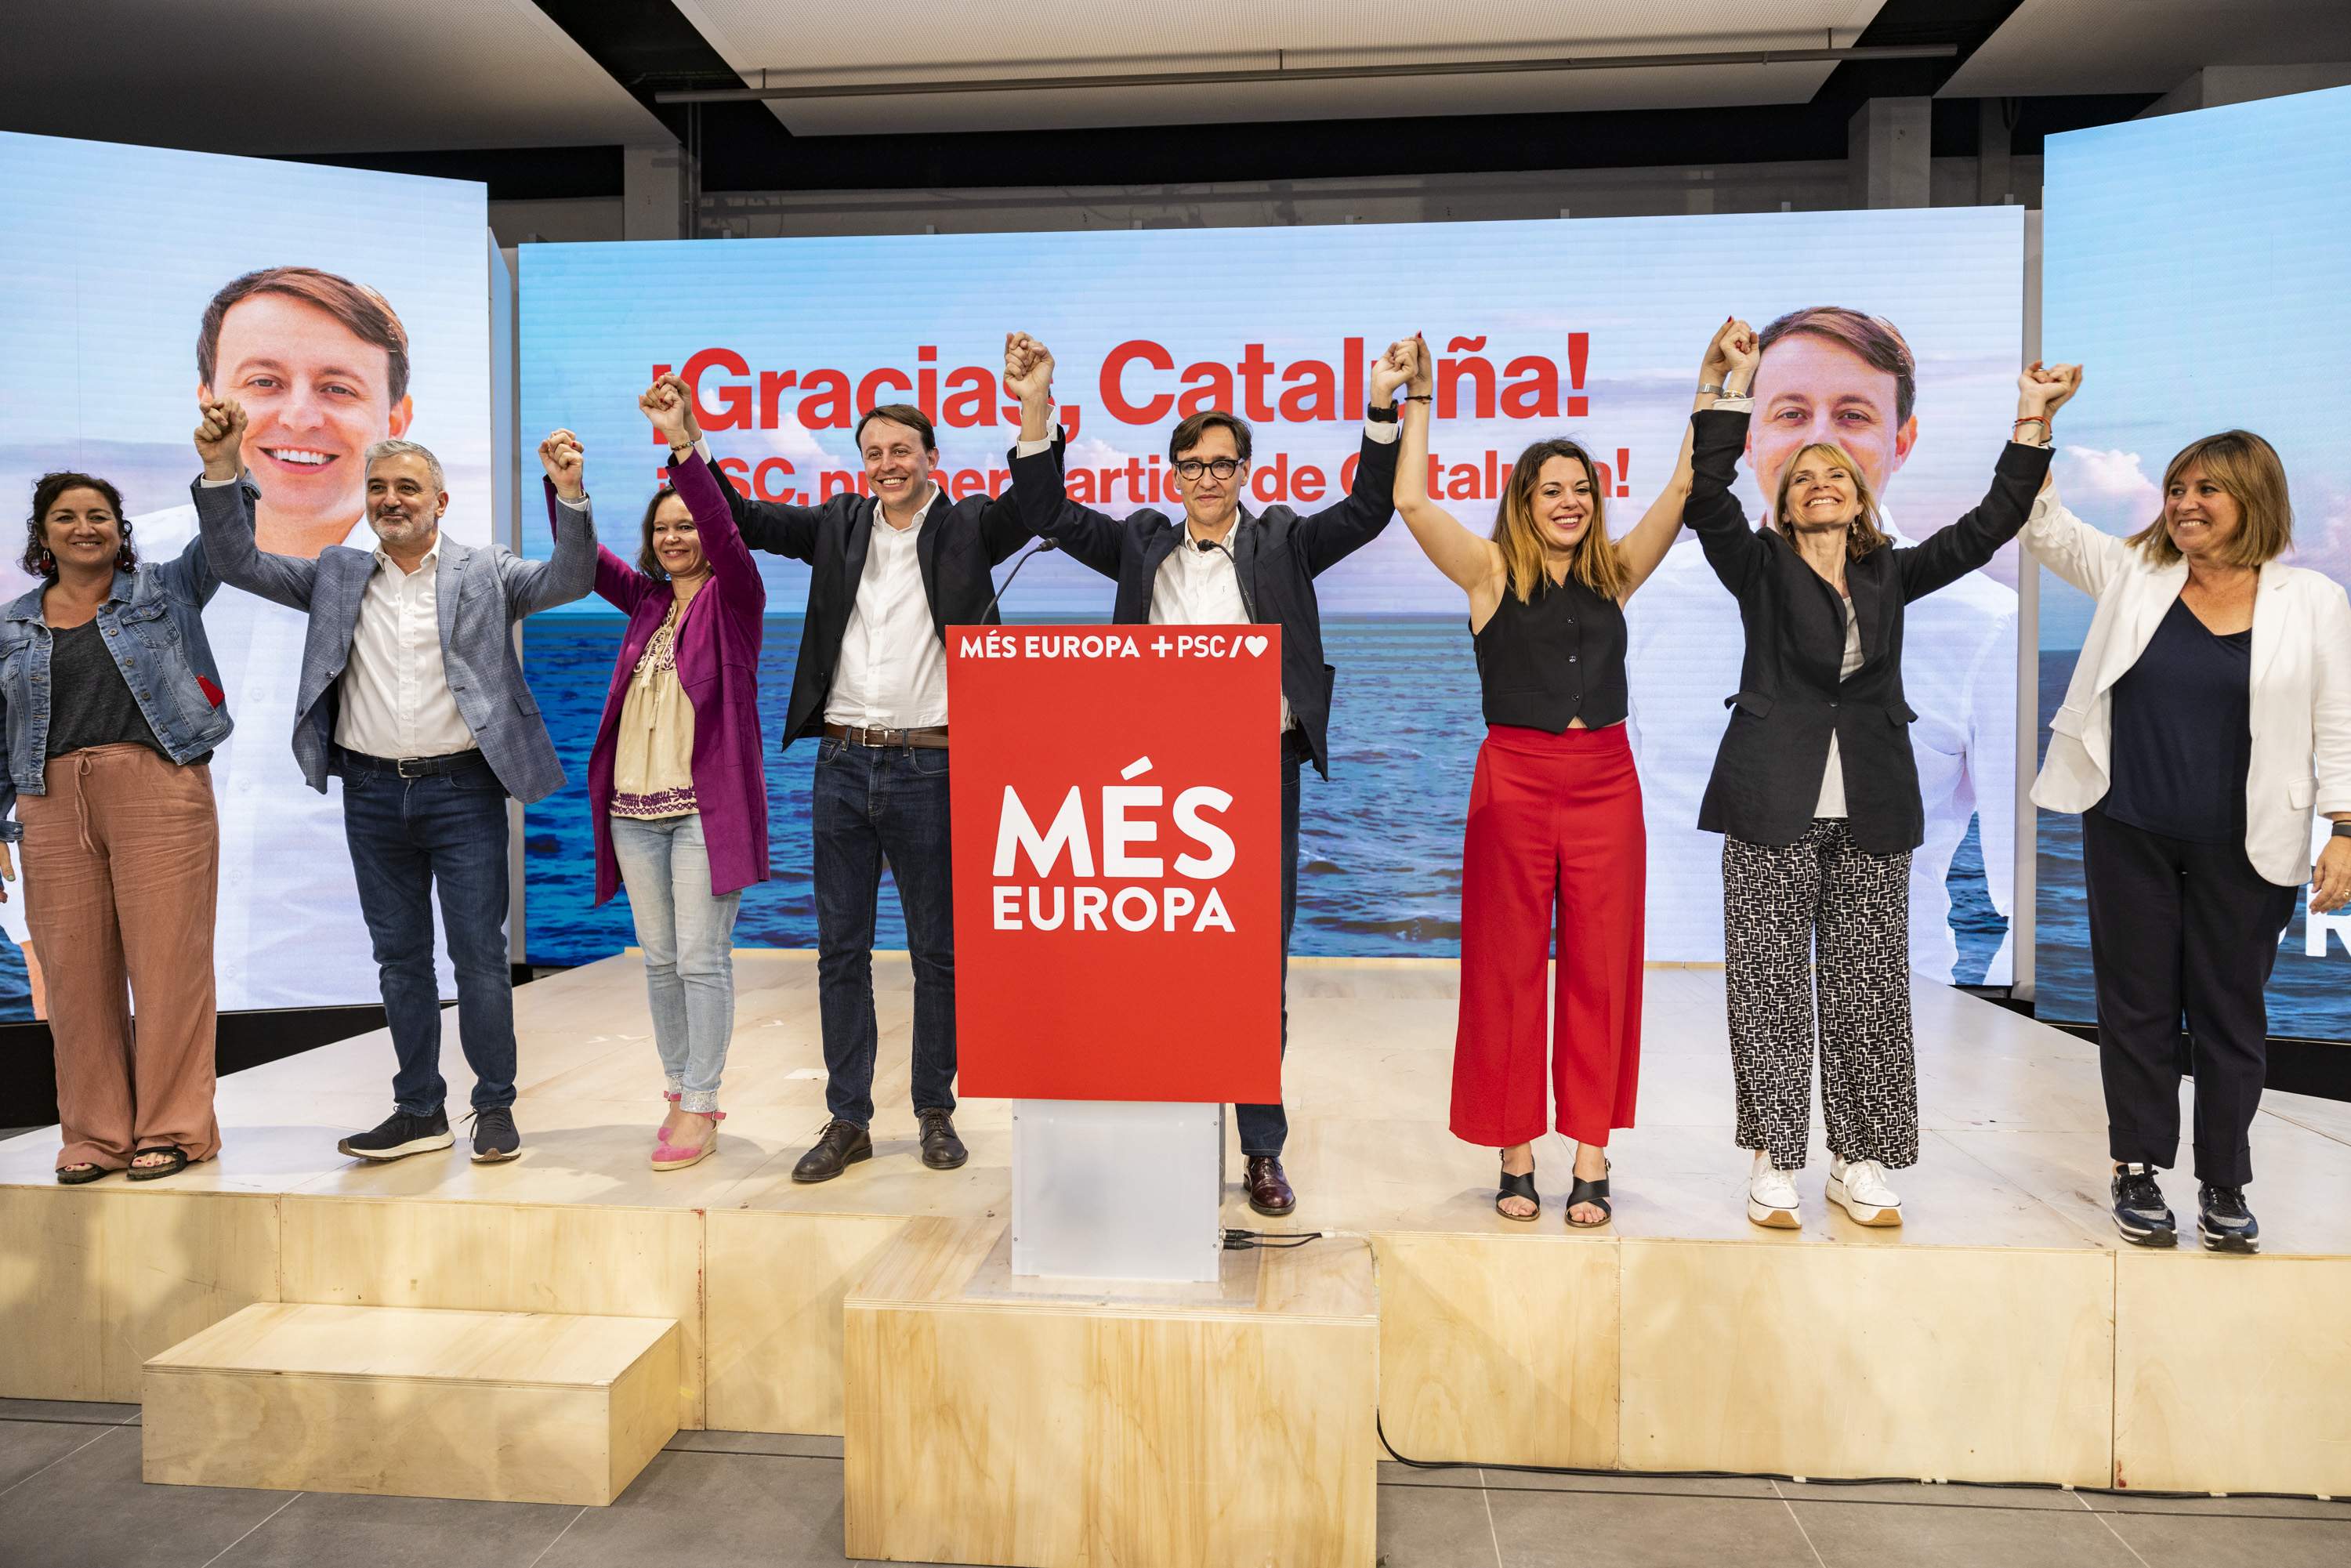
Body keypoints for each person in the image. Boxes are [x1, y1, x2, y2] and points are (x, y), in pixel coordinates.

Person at [1005, 331, 1411, 1219]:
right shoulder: (1141, 544)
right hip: (1156, 788)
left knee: (1254, 972)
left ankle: (1262, 1150)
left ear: (1244, 472)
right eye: (1191, 465)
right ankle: (1164, 1135)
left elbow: (1369, 510)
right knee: (1157, 966)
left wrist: (1382, 403)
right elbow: (1047, 512)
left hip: (1257, 777)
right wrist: (1035, 407)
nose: (1206, 478)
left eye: (1221, 464)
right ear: (1173, 475)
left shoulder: (1284, 542)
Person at [643, 347, 1056, 1184]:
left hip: (932, 767)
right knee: (840, 953)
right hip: (840, 766)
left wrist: (1035, 406)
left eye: (901, 450)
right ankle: (849, 1119)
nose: (887, 463)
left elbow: (1041, 502)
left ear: (931, 457)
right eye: (873, 452)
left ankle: (934, 1109)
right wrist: (685, 441)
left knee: (938, 953)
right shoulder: (838, 524)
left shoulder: (970, 526)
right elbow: (738, 517)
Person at [1686, 324, 2067, 1229]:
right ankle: (1775, 1158)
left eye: (1838, 474)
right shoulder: (1758, 569)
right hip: (1769, 802)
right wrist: (1730, 393)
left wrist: (2031, 422)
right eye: (1802, 476)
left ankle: (1859, 1159)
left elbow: (1991, 524)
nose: (1820, 481)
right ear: (1784, 502)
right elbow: (1706, 497)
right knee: (1770, 989)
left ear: (1863, 499)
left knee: (1868, 993)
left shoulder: (1893, 574)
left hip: (1874, 809)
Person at [20, 266, 433, 1019]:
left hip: (370, 1028)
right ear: (208, 398)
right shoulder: (117, 570)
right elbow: (45, 769)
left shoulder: (451, 589)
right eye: (264, 382)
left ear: (395, 417)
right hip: (142, 1028)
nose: (299, 416)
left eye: (338, 388)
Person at [194, 400, 596, 1164]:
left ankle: (494, 1107)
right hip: (373, 795)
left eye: (407, 488)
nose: (390, 499)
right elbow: (238, 564)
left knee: (479, 958)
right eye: (378, 487)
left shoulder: (487, 570)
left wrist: (569, 493)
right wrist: (221, 472)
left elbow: (571, 579)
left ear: (440, 501)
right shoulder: (337, 574)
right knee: (400, 960)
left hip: (464, 792)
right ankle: (418, 1110)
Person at [1396, 326, 1733, 1226]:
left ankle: (1590, 1152)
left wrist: (1708, 388)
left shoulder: (1616, 574)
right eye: (1553, 489)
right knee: (1506, 970)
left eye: (1582, 488)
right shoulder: (1488, 574)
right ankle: (1515, 1150)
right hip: (1513, 778)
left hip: (1605, 782)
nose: (1571, 501)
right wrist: (1420, 398)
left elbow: (1683, 489)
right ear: (1524, 500)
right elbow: (1412, 501)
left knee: (1601, 971)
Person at [2023, 415, 2351, 1253]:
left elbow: (2338, 720)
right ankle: (2136, 1168)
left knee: (2229, 1014)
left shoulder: (2313, 601)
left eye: (2207, 489)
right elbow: (2044, 525)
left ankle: (2224, 1182)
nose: (2184, 503)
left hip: (2247, 842)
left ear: (2254, 498)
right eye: (2176, 489)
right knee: (2134, 1006)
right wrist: (2034, 423)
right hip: (2128, 826)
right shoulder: (2135, 574)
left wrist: (2346, 828)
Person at [1627, 307, 2019, 984]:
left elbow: (2026, 898)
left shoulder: (1984, 623)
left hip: (1889, 1006)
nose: (1819, 444)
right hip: (1673, 1012)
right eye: (1790, 413)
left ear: (1902, 441)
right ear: (1749, 438)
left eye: (1853, 415)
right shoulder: (1650, 600)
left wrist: (1977, 1037)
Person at [1, 459, 232, 1182]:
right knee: (73, 979)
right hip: (48, 803)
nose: (85, 527)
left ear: (119, 529)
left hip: (158, 791)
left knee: (168, 970)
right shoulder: (12, 625)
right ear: (42, 536)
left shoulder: (165, 590)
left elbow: (228, 544)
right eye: (66, 517)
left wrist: (223, 470)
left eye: (98, 515)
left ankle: (173, 1128)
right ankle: (96, 1137)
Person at [582, 380, 768, 1171]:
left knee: (701, 959)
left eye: (686, 524)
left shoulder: (737, 598)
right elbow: (587, 562)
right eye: (662, 528)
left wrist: (682, 444)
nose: (674, 537)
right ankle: (679, 1084)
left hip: (702, 810)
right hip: (633, 810)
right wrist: (568, 491)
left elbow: (724, 526)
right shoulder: (646, 605)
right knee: (659, 960)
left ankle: (703, 1100)